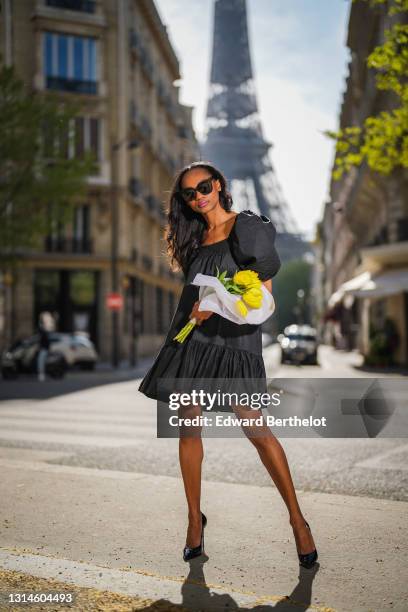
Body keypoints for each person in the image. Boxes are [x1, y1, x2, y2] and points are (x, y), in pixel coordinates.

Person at [138, 161, 318, 568]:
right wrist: (200, 311)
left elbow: (262, 298)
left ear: (218, 184)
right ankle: (193, 521)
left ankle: (297, 519)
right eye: (189, 193)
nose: (198, 196)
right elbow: (193, 294)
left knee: (256, 428)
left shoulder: (247, 227)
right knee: (188, 428)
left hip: (234, 340)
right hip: (192, 338)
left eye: (203, 187)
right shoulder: (194, 238)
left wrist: (218, 303)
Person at [37, 313, 51, 381]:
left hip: (44, 349)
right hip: (44, 348)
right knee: (41, 361)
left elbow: (45, 342)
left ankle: (42, 375)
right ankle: (42, 374)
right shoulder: (44, 332)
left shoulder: (43, 332)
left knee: (41, 361)